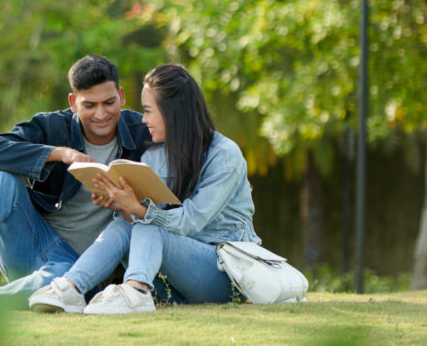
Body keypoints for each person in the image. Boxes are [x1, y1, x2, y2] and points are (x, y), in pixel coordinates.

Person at [0, 54, 152, 316]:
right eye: (89, 105)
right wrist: (60, 154)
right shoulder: (52, 126)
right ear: (73, 103)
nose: (101, 114)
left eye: (109, 103)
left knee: (59, 283)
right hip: (36, 245)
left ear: (121, 96)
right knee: (1, 178)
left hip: (88, 270)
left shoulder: (142, 131)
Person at [27, 63, 260, 315]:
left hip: (227, 273)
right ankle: (71, 288)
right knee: (125, 223)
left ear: (173, 112)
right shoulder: (154, 156)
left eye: (148, 111)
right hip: (172, 279)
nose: (143, 119)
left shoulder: (224, 156)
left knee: (148, 224)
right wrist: (123, 206)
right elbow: (138, 224)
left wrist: (137, 208)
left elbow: (190, 221)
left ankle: (136, 291)